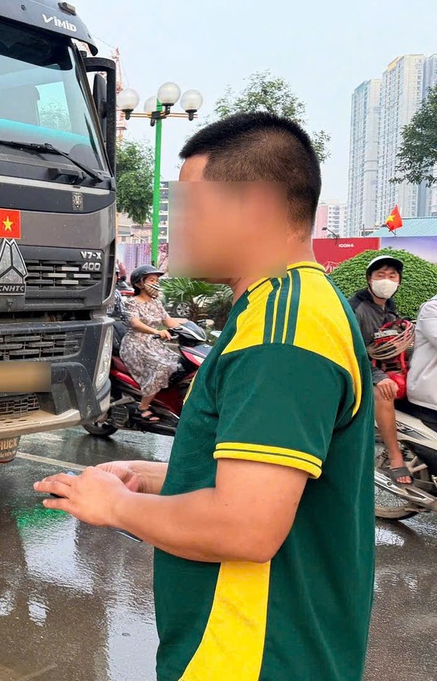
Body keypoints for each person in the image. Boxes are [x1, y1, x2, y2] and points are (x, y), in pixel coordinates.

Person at [35, 112, 374, 681]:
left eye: (190, 208)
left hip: (252, 655)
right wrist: (154, 477)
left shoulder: (282, 333)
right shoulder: (290, 308)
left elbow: (244, 526)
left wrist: (114, 506)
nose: (175, 230)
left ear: (257, 206)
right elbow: (271, 490)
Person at [348, 255, 412, 483]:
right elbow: (352, 351)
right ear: (369, 279)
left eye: (392, 276)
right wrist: (379, 377)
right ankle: (395, 457)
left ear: (399, 281)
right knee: (384, 392)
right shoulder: (356, 308)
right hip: (357, 369)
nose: (386, 280)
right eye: (380, 275)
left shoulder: (389, 309)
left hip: (384, 367)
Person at [118, 264, 185, 422]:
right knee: (162, 366)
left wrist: (189, 329)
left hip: (154, 344)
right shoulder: (131, 303)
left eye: (157, 280)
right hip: (135, 344)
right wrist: (156, 331)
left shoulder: (157, 303)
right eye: (151, 280)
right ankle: (142, 407)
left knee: (179, 365)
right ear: (139, 283)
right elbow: (134, 323)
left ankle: (163, 402)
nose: (156, 283)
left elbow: (169, 321)